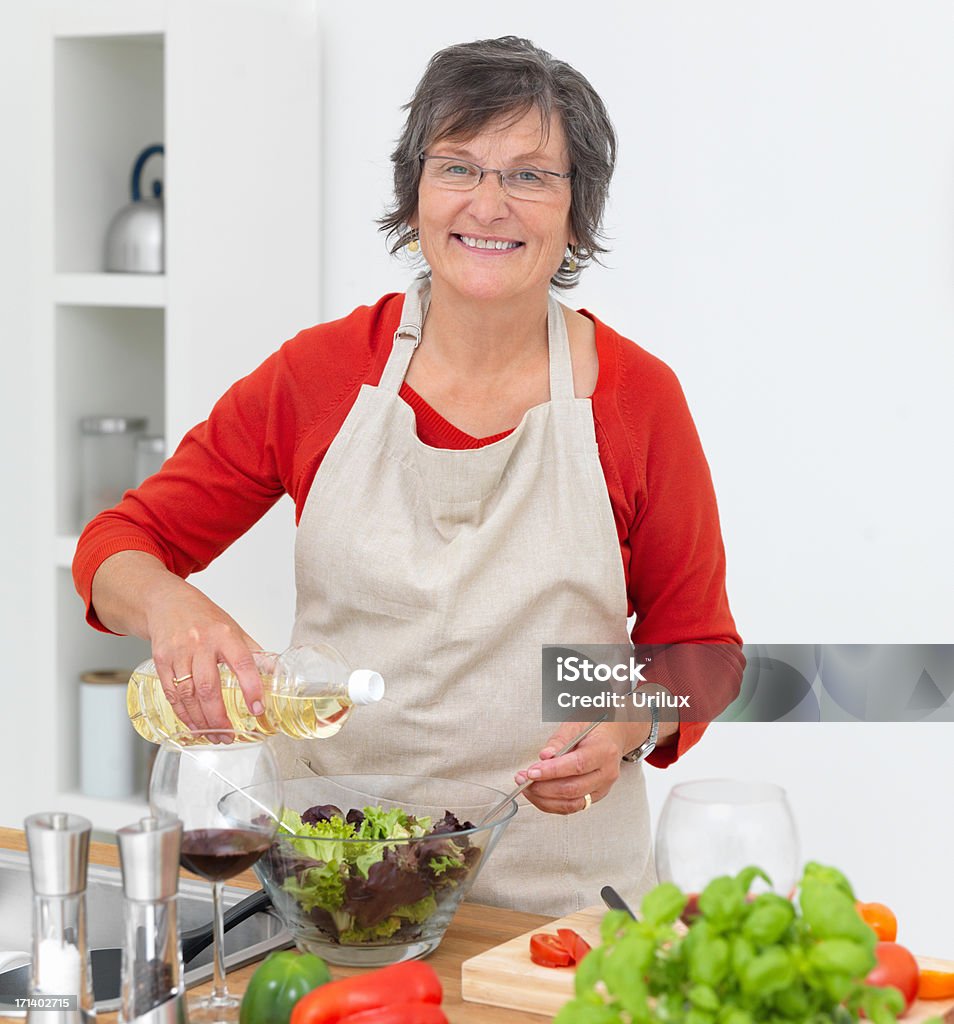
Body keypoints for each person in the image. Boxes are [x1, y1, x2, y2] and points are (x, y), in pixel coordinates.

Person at [73, 36, 741, 915]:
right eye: (458, 166)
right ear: (414, 191)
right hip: (339, 900)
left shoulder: (636, 399)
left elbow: (701, 653)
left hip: (557, 919)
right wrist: (172, 606)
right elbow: (116, 545)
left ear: (577, 213)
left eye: (531, 175)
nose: (489, 204)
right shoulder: (320, 374)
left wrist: (621, 723)